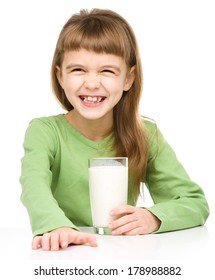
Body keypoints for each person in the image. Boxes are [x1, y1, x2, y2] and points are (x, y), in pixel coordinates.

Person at [20, 8, 209, 251]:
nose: (91, 83)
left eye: (107, 71)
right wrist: (55, 226)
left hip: (124, 256)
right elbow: (33, 186)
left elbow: (194, 202)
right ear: (60, 76)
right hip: (66, 255)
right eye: (78, 70)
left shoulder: (145, 134)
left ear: (128, 79)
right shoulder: (44, 131)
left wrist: (153, 217)